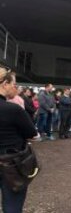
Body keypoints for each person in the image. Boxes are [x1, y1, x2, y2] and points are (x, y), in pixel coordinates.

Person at [0, 67, 37, 212]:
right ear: (5, 84)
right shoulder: (13, 109)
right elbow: (31, 133)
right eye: (13, 84)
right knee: (12, 206)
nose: (14, 88)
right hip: (11, 163)